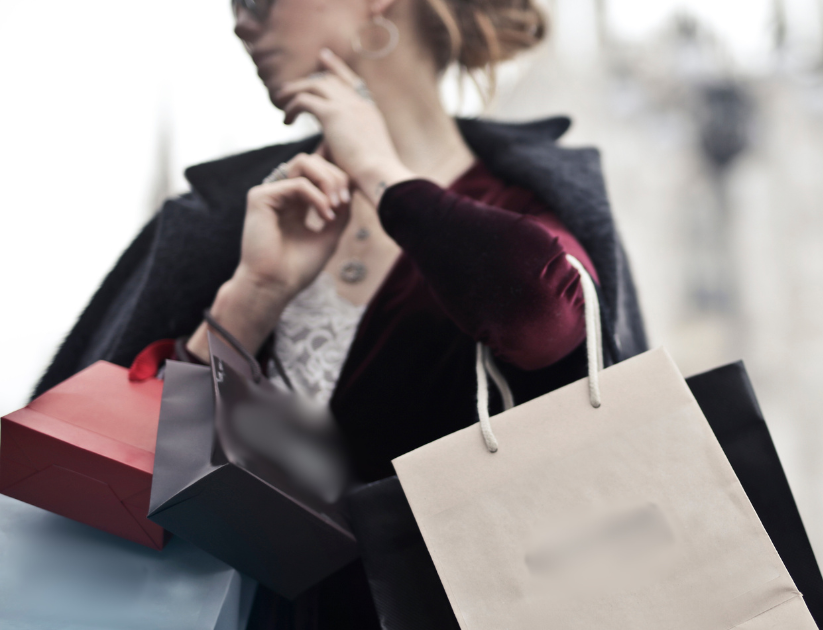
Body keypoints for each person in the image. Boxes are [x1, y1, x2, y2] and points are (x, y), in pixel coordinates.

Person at [32, 0, 647, 627]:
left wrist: (385, 177)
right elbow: (97, 478)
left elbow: (547, 318)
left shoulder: (526, 213)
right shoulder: (226, 218)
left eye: (259, 1)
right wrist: (250, 298)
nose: (241, 22)